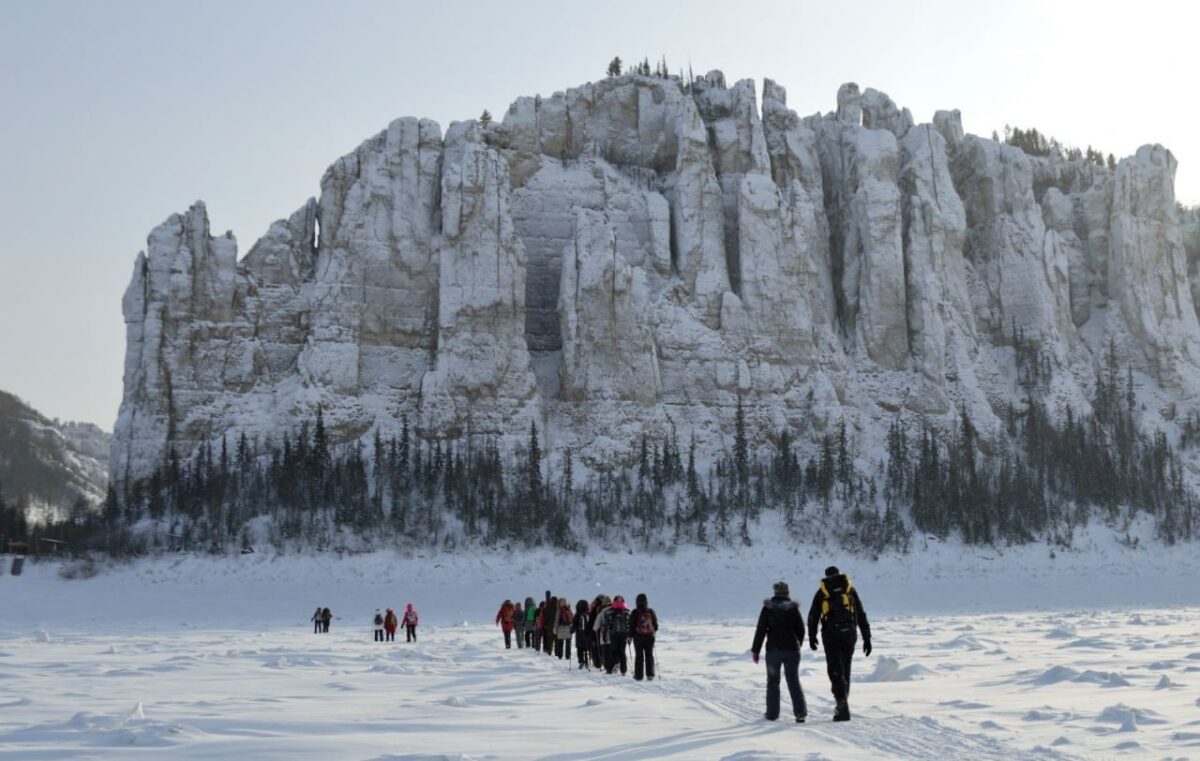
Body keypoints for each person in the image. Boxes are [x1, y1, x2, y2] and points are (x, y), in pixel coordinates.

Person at [808, 566, 871, 722]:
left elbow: (813, 616)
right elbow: (861, 614)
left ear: (827, 576)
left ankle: (841, 706)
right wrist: (867, 638)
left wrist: (811, 636)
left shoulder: (822, 592)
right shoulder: (849, 590)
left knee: (835, 670)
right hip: (849, 634)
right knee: (846, 669)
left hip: (831, 635)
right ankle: (843, 703)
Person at [752, 580, 807, 723]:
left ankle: (772, 714)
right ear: (787, 593)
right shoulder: (793, 609)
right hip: (792, 651)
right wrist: (797, 644)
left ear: (775, 593)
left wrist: (755, 651)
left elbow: (761, 630)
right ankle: (800, 713)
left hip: (773, 652)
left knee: (773, 682)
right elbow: (801, 629)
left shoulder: (768, 609)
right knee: (793, 680)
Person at [630, 593, 659, 681]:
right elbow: (656, 626)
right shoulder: (650, 612)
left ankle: (638, 676)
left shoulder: (635, 612)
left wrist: (631, 635)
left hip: (638, 637)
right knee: (649, 655)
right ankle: (650, 675)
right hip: (649, 637)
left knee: (639, 656)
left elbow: (631, 625)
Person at [600, 595, 630, 675]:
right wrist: (629, 635)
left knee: (614, 651)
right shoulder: (626, 611)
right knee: (622, 652)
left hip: (613, 634)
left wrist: (604, 633)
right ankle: (624, 670)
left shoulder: (609, 612)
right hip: (623, 634)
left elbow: (606, 625)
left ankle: (616, 664)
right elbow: (629, 625)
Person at [572, 598, 592, 669]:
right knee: (588, 649)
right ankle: (587, 661)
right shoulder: (589, 614)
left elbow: (574, 624)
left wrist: (572, 631)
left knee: (580, 648)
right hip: (588, 635)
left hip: (579, 635)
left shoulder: (577, 615)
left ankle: (581, 661)